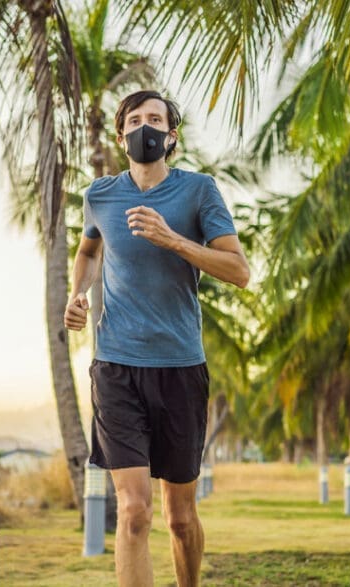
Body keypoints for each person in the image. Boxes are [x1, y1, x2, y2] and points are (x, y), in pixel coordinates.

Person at [64, 90, 250, 587]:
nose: (144, 128)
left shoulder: (199, 191)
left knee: (180, 519)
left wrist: (172, 239)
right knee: (133, 512)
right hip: (116, 367)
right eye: (135, 120)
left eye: (156, 120)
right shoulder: (100, 195)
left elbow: (239, 271)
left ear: (171, 137)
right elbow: (87, 250)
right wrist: (77, 293)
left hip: (180, 367)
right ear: (121, 133)